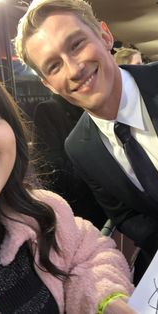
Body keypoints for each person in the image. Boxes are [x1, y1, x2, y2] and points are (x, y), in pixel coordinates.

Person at [14, 0, 158, 284]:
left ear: (105, 36)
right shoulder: (79, 147)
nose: (74, 69)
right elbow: (127, 216)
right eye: (54, 66)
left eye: (77, 44)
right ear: (48, 85)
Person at [0, 58, 137, 314]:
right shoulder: (53, 115)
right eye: (53, 65)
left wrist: (105, 300)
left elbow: (88, 252)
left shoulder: (42, 211)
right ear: (46, 81)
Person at [33, 95, 107, 229]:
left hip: (108, 204)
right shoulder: (48, 110)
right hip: (80, 209)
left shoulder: (96, 109)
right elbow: (51, 167)